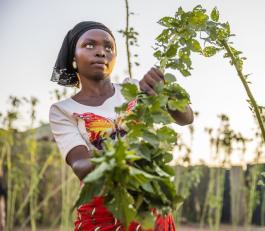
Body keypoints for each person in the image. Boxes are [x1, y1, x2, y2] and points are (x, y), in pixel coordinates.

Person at [49, 21, 194, 231]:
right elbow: (80, 165)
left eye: (108, 47)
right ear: (73, 57)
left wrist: (165, 93)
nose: (101, 52)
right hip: (101, 208)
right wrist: (124, 157)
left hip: (148, 201)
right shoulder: (63, 110)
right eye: (90, 45)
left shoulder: (134, 89)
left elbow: (186, 117)